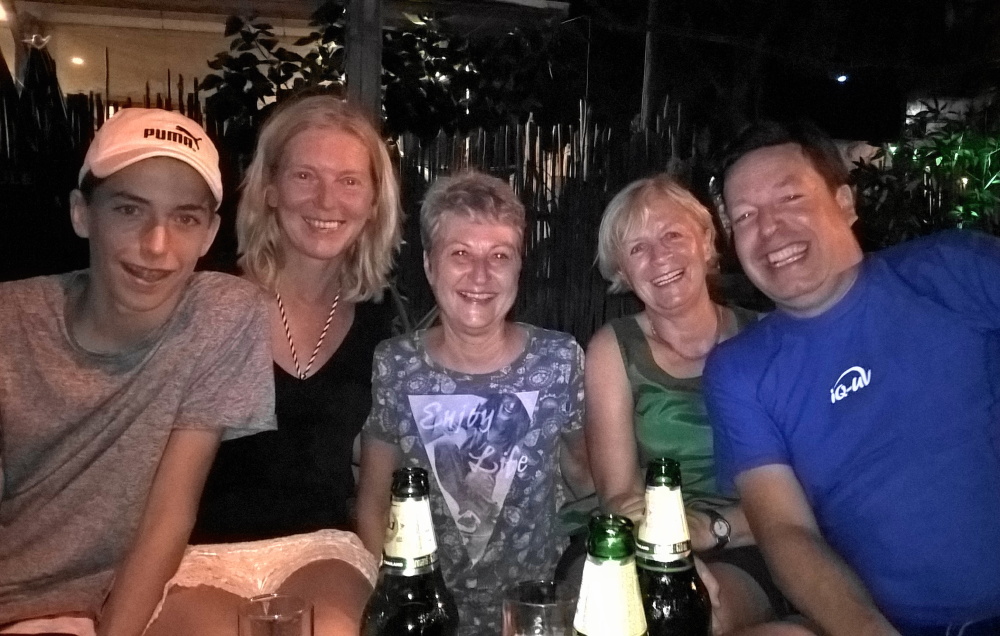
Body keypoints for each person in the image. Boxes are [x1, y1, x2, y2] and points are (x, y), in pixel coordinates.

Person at [704, 120, 1000, 635]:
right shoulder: (741, 370)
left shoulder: (954, 270)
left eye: (790, 198)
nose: (769, 228)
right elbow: (785, 530)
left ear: (844, 203)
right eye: (746, 216)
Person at [0, 108, 276, 636]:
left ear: (210, 233)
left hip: (126, 602)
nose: (156, 245)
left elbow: (170, 513)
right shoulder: (12, 322)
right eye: (129, 210)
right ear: (82, 213)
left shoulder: (222, 314)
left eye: (185, 219)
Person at [148, 94, 403, 635]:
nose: (326, 199)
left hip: (321, 551)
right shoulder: (209, 302)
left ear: (374, 202)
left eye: (349, 181)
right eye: (305, 175)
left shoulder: (382, 319)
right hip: (199, 557)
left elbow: (377, 480)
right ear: (269, 188)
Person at [356, 170, 591, 635]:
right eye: (460, 253)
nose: (481, 275)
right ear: (429, 266)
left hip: (535, 613)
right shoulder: (396, 364)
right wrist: (392, 602)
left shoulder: (558, 360)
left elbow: (588, 480)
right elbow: (374, 502)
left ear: (519, 267)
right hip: (429, 616)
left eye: (500, 255)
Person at [587, 174, 807, 635]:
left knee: (700, 614)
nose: (659, 257)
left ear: (706, 242)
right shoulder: (614, 348)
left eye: (672, 235)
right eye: (638, 248)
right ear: (622, 272)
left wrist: (713, 528)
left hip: (754, 539)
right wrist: (669, 560)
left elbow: (807, 495)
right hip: (643, 538)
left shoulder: (771, 338)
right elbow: (619, 494)